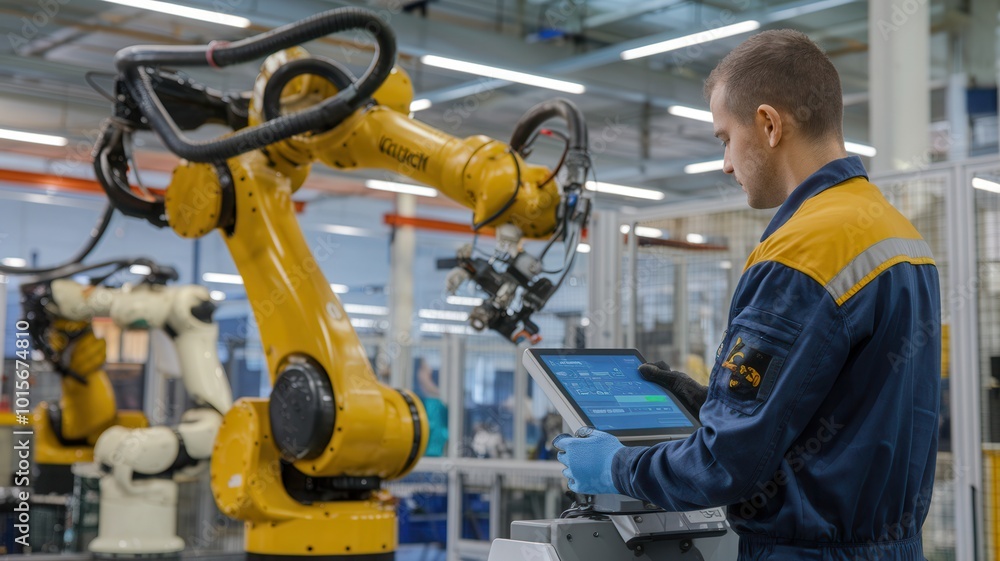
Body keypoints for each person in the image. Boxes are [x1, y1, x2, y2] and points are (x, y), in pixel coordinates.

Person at [555, 29, 941, 561]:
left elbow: (725, 467)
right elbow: (846, 406)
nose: (727, 164)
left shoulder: (801, 252)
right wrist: (716, 401)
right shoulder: (896, 234)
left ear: (768, 124)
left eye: (724, 138)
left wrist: (617, 467)